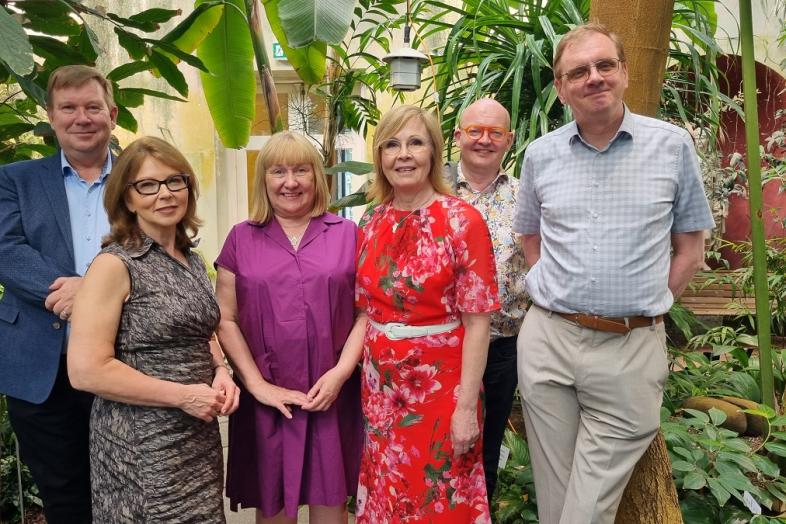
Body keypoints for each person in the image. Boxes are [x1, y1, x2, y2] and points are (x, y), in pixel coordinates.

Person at [513, 23, 714, 524]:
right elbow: (528, 235)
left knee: (585, 510)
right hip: (548, 342)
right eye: (578, 71)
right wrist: (553, 287)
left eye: (605, 65)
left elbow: (690, 247)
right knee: (556, 497)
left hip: (630, 348)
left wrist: (644, 303)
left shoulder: (671, 147)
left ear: (624, 72)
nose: (594, 77)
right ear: (560, 88)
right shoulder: (541, 155)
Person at [67, 136, 238, 522]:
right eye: (147, 185)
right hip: (140, 442)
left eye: (174, 181)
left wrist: (220, 370)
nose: (165, 194)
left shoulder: (191, 259)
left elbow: (198, 330)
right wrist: (181, 396)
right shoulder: (114, 265)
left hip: (196, 436)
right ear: (127, 198)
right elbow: (86, 369)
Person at [354, 105, 500, 523]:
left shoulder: (462, 221)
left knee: (441, 497)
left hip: (441, 391)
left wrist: (465, 408)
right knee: (387, 492)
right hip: (380, 392)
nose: (404, 154)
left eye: (415, 143)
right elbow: (364, 311)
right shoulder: (372, 220)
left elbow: (478, 322)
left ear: (434, 152)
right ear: (380, 157)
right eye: (392, 145)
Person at [214, 131, 364, 523]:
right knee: (274, 506)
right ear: (264, 179)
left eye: (301, 170)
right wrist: (256, 385)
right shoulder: (241, 238)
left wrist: (340, 374)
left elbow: (367, 312)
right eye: (278, 171)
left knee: (331, 502)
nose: (290, 182)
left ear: (316, 177)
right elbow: (225, 318)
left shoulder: (348, 234)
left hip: (331, 391)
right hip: (268, 395)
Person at [0, 64, 118, 523]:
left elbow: (161, 249)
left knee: (125, 486)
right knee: (63, 496)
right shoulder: (15, 179)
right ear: (51, 116)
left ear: (111, 113)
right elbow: (6, 248)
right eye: (68, 108)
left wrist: (88, 294)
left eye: (92, 107)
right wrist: (88, 292)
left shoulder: (140, 178)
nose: (81, 117)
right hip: (39, 365)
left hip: (123, 361)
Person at [448, 98, 528, 504]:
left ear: (509, 140)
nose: (484, 140)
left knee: (486, 447)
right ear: (458, 135)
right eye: (475, 131)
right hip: (441, 349)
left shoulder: (525, 197)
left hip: (502, 348)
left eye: (495, 133)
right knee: (436, 448)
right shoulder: (431, 190)